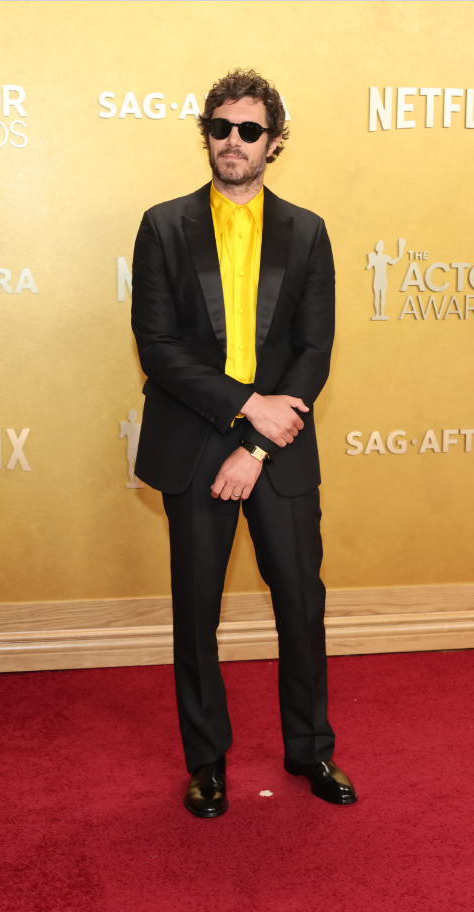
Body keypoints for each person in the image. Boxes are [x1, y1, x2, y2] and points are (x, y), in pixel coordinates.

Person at [131, 69, 356, 818]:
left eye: (249, 130)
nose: (234, 140)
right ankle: (207, 763)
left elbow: (314, 351)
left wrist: (257, 442)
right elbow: (158, 348)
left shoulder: (308, 231)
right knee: (197, 614)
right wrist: (245, 408)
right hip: (193, 444)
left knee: (301, 603)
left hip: (278, 450)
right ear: (207, 135)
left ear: (274, 142)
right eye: (221, 127)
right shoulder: (163, 226)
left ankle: (310, 750)